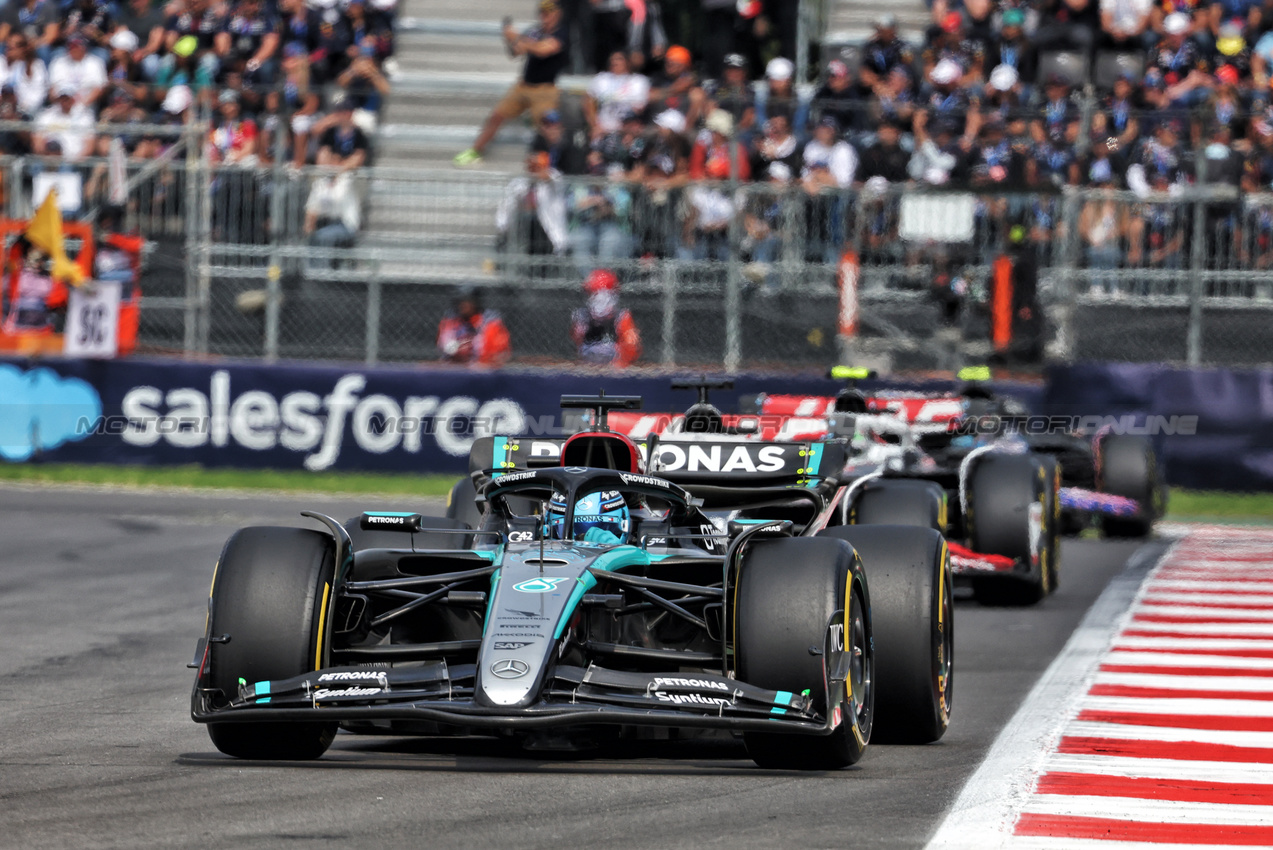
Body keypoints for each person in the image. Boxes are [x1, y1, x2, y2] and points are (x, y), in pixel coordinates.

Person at [454, 0, 567, 167]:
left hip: (545, 89)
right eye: (542, 13)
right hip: (524, 85)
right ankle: (475, 150)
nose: (545, 17)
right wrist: (509, 38)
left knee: (547, 127)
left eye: (548, 13)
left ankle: (552, 163)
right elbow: (516, 52)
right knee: (497, 116)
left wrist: (518, 37)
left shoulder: (561, 34)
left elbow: (543, 50)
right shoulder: (535, 32)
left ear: (557, 14)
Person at [570, 269, 641, 366]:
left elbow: (632, 346)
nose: (590, 298)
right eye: (590, 294)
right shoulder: (582, 316)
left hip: (614, 367)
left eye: (592, 293)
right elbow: (578, 344)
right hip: (588, 367)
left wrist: (619, 365)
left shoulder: (621, 317)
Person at [583, 50, 649, 141]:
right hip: (602, 128)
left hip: (627, 131)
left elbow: (639, 110)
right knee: (595, 152)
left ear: (627, 62)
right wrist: (594, 125)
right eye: (612, 59)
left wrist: (624, 129)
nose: (614, 62)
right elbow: (587, 101)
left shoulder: (638, 81)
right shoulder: (602, 79)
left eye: (619, 59)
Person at [436, 285, 511, 365]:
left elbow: (497, 353)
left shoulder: (490, 322)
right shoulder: (450, 321)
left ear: (476, 302)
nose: (462, 305)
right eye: (459, 301)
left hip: (483, 369)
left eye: (467, 301)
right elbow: (445, 347)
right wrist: (459, 349)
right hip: (455, 368)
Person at [304, 171, 360, 268]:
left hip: (345, 224)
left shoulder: (346, 181)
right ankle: (311, 270)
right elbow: (312, 208)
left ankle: (322, 272)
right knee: (312, 236)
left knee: (324, 236)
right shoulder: (320, 184)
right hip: (326, 223)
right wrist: (309, 225)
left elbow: (334, 202)